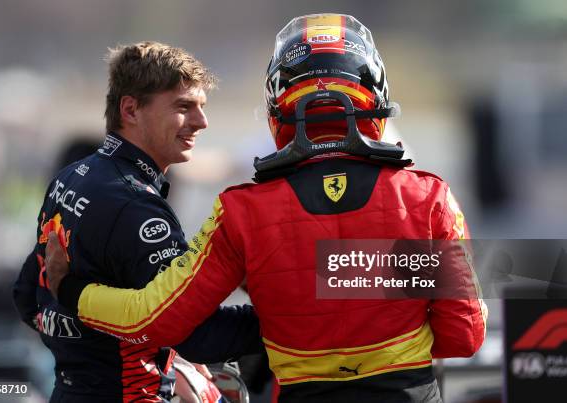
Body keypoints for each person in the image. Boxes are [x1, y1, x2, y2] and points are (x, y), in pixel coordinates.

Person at [46, 15, 488, 403]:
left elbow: (156, 318)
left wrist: (70, 291)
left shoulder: (241, 211)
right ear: (375, 96)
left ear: (278, 105)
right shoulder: (429, 198)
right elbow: (463, 336)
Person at [12, 41, 261, 403]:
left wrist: (81, 343)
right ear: (130, 109)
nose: (201, 121)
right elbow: (194, 333)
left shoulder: (72, 176)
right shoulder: (135, 205)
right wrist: (289, 313)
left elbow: (26, 296)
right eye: (183, 107)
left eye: (202, 108)